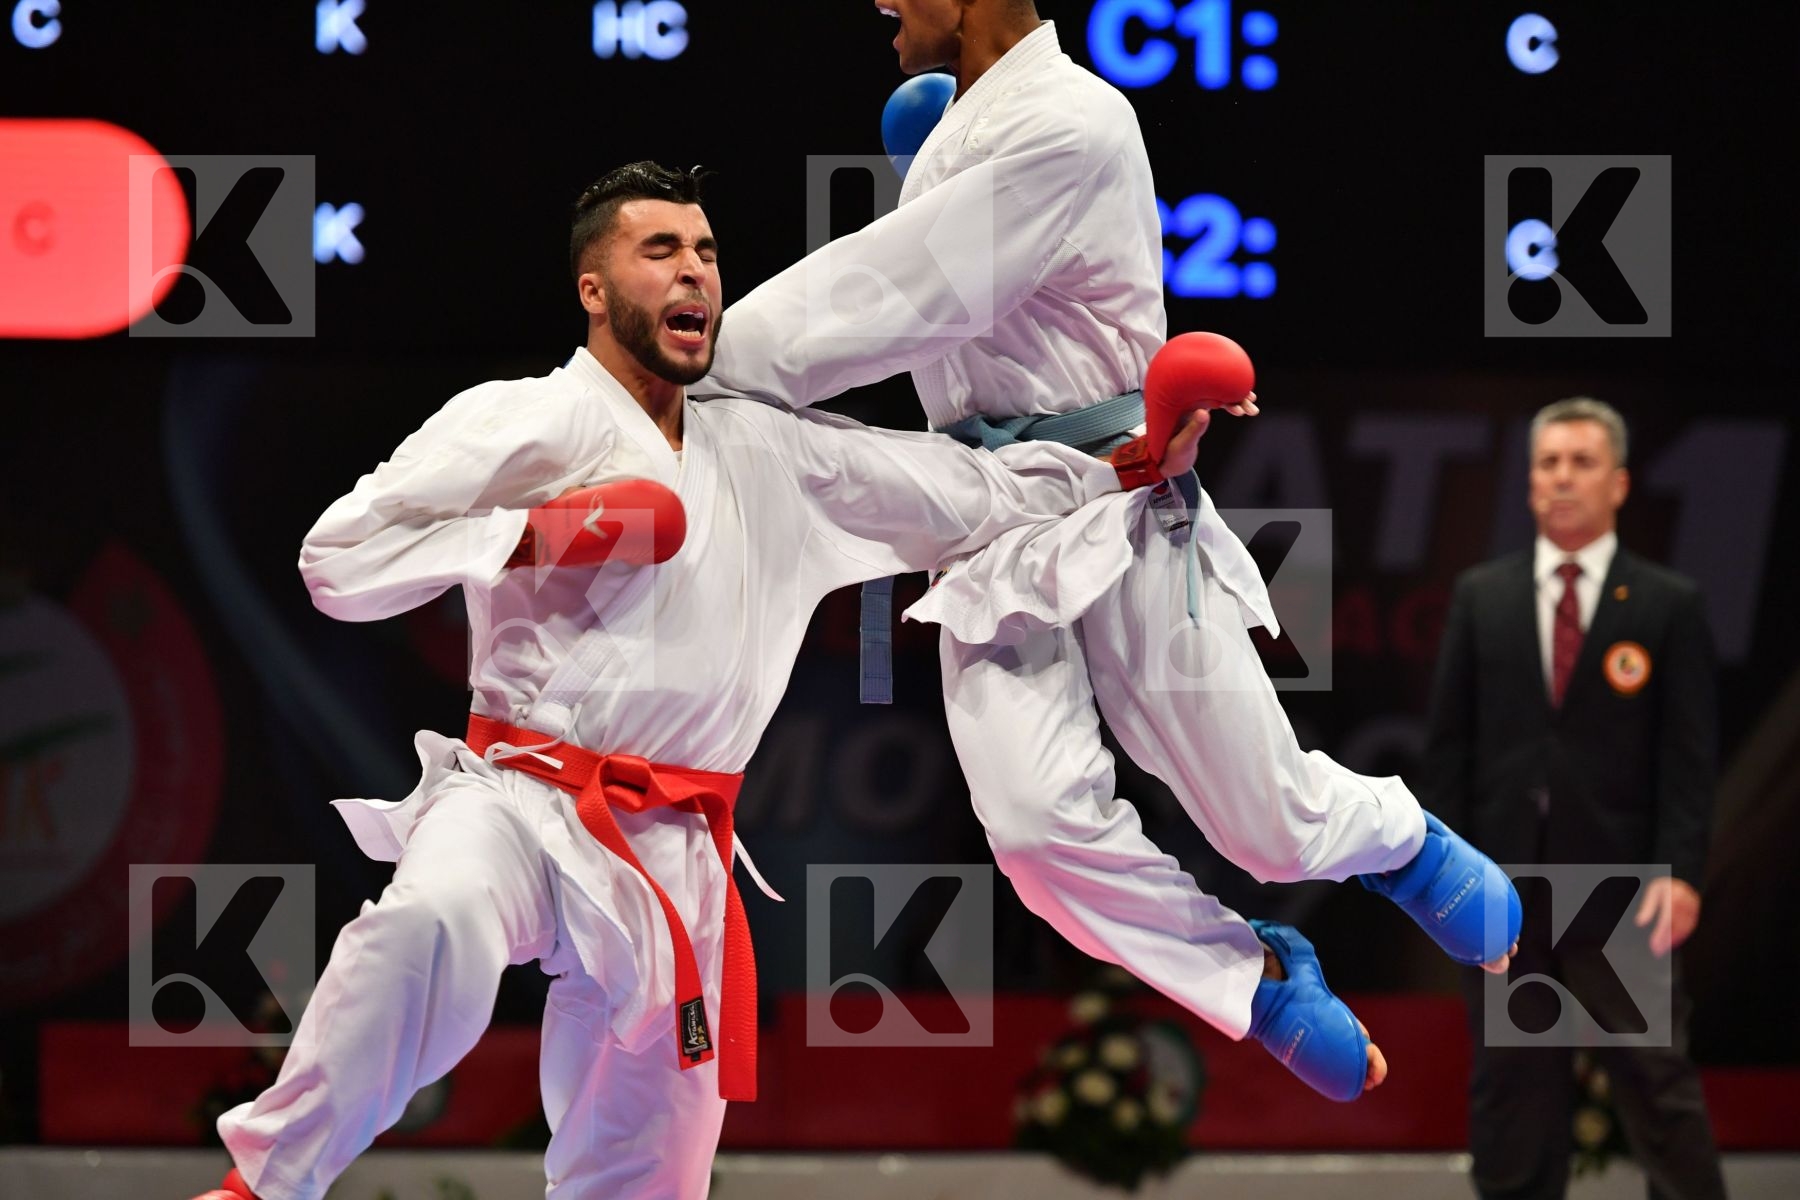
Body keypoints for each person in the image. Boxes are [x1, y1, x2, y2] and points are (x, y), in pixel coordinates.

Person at [191, 161, 1202, 1200]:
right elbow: (337, 560)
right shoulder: (526, 419)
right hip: (520, 796)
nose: (696, 273)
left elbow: (969, 493)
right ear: (593, 288)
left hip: (679, 849)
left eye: (709, 253)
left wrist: (1129, 462)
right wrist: (540, 533)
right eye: (662, 250)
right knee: (433, 916)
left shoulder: (775, 454)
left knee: (650, 1175)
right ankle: (263, 1185)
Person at [702, 0, 1518, 1100]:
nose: (883, 0)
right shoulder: (960, 127)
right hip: (991, 518)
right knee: (1036, 839)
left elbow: (886, 298)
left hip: (1120, 495)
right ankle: (1257, 974)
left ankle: (1404, 842)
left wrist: (698, 356)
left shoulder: (1075, 122)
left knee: (1268, 823)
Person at [1423, 398, 1726, 1199]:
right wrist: (1447, 878)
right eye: (1548, 463)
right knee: (1514, 1093)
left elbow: (1689, 759)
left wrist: (1682, 873)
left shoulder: (1665, 603)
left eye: (1582, 462)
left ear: (1618, 483)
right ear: (1529, 484)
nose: (1562, 478)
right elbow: (1448, 751)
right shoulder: (1482, 596)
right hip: (1505, 893)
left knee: (1656, 1085)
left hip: (1625, 891)